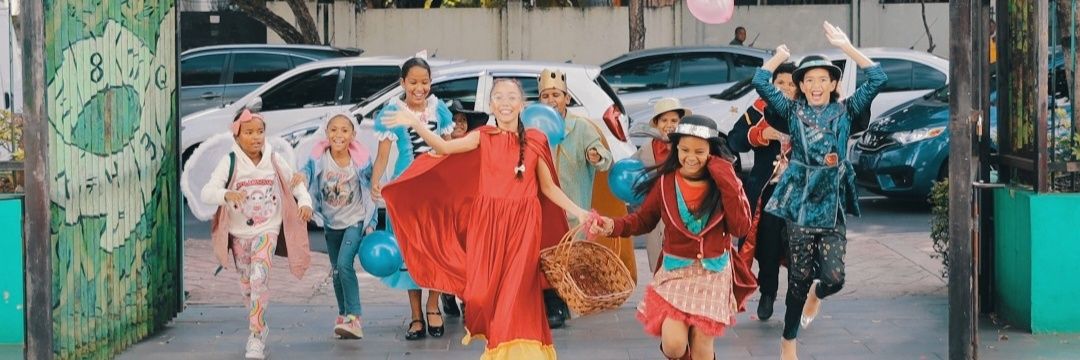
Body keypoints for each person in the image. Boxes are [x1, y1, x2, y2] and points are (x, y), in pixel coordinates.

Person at [380, 78, 591, 359]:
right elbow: (444, 150)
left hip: (524, 226)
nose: (505, 103)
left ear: (522, 104)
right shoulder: (483, 137)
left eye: (511, 97)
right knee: (482, 295)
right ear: (491, 104)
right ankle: (501, 345)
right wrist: (415, 123)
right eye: (499, 97)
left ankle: (516, 352)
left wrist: (579, 212)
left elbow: (549, 187)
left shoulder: (537, 140)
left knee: (516, 293)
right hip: (487, 224)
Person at [751, 21, 887, 360]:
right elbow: (759, 81)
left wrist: (846, 47)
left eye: (822, 79)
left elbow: (878, 78)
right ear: (800, 85)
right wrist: (778, 57)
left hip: (832, 200)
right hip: (798, 200)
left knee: (835, 277)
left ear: (833, 83)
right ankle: (789, 339)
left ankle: (818, 293)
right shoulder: (791, 110)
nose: (815, 85)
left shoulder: (846, 110)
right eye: (808, 79)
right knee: (797, 276)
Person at [591, 114, 753, 360]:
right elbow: (642, 220)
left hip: (713, 274)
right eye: (684, 149)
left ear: (711, 151)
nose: (691, 157)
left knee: (702, 350)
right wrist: (612, 226)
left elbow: (741, 228)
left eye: (699, 151)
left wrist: (726, 177)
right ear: (676, 148)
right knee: (674, 346)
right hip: (676, 272)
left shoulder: (724, 182)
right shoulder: (666, 182)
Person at [201, 107, 314, 360]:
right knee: (246, 287)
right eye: (249, 132)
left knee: (259, 277)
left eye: (260, 132)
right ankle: (260, 325)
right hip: (239, 233)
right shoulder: (230, 161)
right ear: (237, 136)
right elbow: (207, 192)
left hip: (268, 229)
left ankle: (254, 337)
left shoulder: (273, 159)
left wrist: (305, 202)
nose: (256, 137)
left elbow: (296, 183)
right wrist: (226, 194)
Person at [370, 57, 455, 340]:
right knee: (410, 250)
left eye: (425, 82)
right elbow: (383, 155)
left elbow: (448, 149)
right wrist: (376, 181)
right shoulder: (392, 112)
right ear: (402, 82)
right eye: (414, 82)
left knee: (438, 248)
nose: (420, 88)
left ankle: (434, 305)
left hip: (437, 188)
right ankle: (416, 314)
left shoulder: (439, 109)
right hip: (405, 189)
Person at [536, 68, 616, 328]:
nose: (551, 100)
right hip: (540, 207)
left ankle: (559, 303)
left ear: (566, 98)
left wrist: (596, 155)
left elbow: (605, 157)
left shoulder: (580, 128)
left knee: (565, 257)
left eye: (556, 94)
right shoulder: (533, 128)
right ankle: (552, 304)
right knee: (543, 255)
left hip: (572, 211)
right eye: (545, 95)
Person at [727, 62, 796, 321]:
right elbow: (734, 139)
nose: (786, 89)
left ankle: (796, 297)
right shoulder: (759, 109)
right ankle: (768, 293)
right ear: (771, 86)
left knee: (797, 247)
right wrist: (760, 134)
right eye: (781, 83)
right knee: (766, 246)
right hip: (766, 192)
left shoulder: (807, 112)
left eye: (792, 84)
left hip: (799, 194)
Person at [300, 113, 378, 339]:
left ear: (353, 135)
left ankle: (355, 316)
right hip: (330, 223)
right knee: (335, 272)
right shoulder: (320, 157)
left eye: (345, 130)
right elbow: (306, 173)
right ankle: (344, 315)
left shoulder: (361, 161)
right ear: (327, 133)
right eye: (333, 129)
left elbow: (371, 191)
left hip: (354, 221)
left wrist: (370, 223)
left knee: (344, 265)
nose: (339, 134)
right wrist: (300, 179)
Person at [439, 99, 489, 317]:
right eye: (454, 120)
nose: (459, 124)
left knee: (471, 255)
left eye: (463, 120)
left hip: (471, 212)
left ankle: (468, 298)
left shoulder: (475, 146)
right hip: (447, 211)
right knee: (450, 255)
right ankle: (448, 294)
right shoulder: (440, 145)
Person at [628, 97, 690, 273]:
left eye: (674, 120)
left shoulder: (686, 146)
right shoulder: (646, 150)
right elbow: (632, 177)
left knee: (681, 266)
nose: (669, 124)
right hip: (655, 217)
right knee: (657, 262)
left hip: (681, 215)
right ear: (656, 123)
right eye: (664, 120)